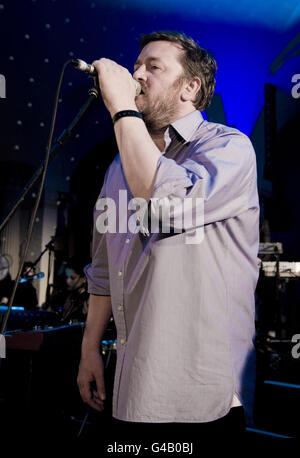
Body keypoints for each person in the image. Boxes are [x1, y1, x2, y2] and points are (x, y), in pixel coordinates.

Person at [77, 31, 259, 445]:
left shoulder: (229, 148)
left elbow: (166, 202)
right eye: (136, 65)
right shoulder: (117, 169)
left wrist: (121, 105)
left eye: (153, 67)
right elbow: (104, 269)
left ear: (190, 87)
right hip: (132, 387)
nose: (137, 73)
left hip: (199, 396)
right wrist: (89, 350)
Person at [60, 258, 88, 324]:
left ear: (84, 278)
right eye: (66, 277)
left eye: (72, 278)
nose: (68, 281)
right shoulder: (70, 295)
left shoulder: (87, 298)